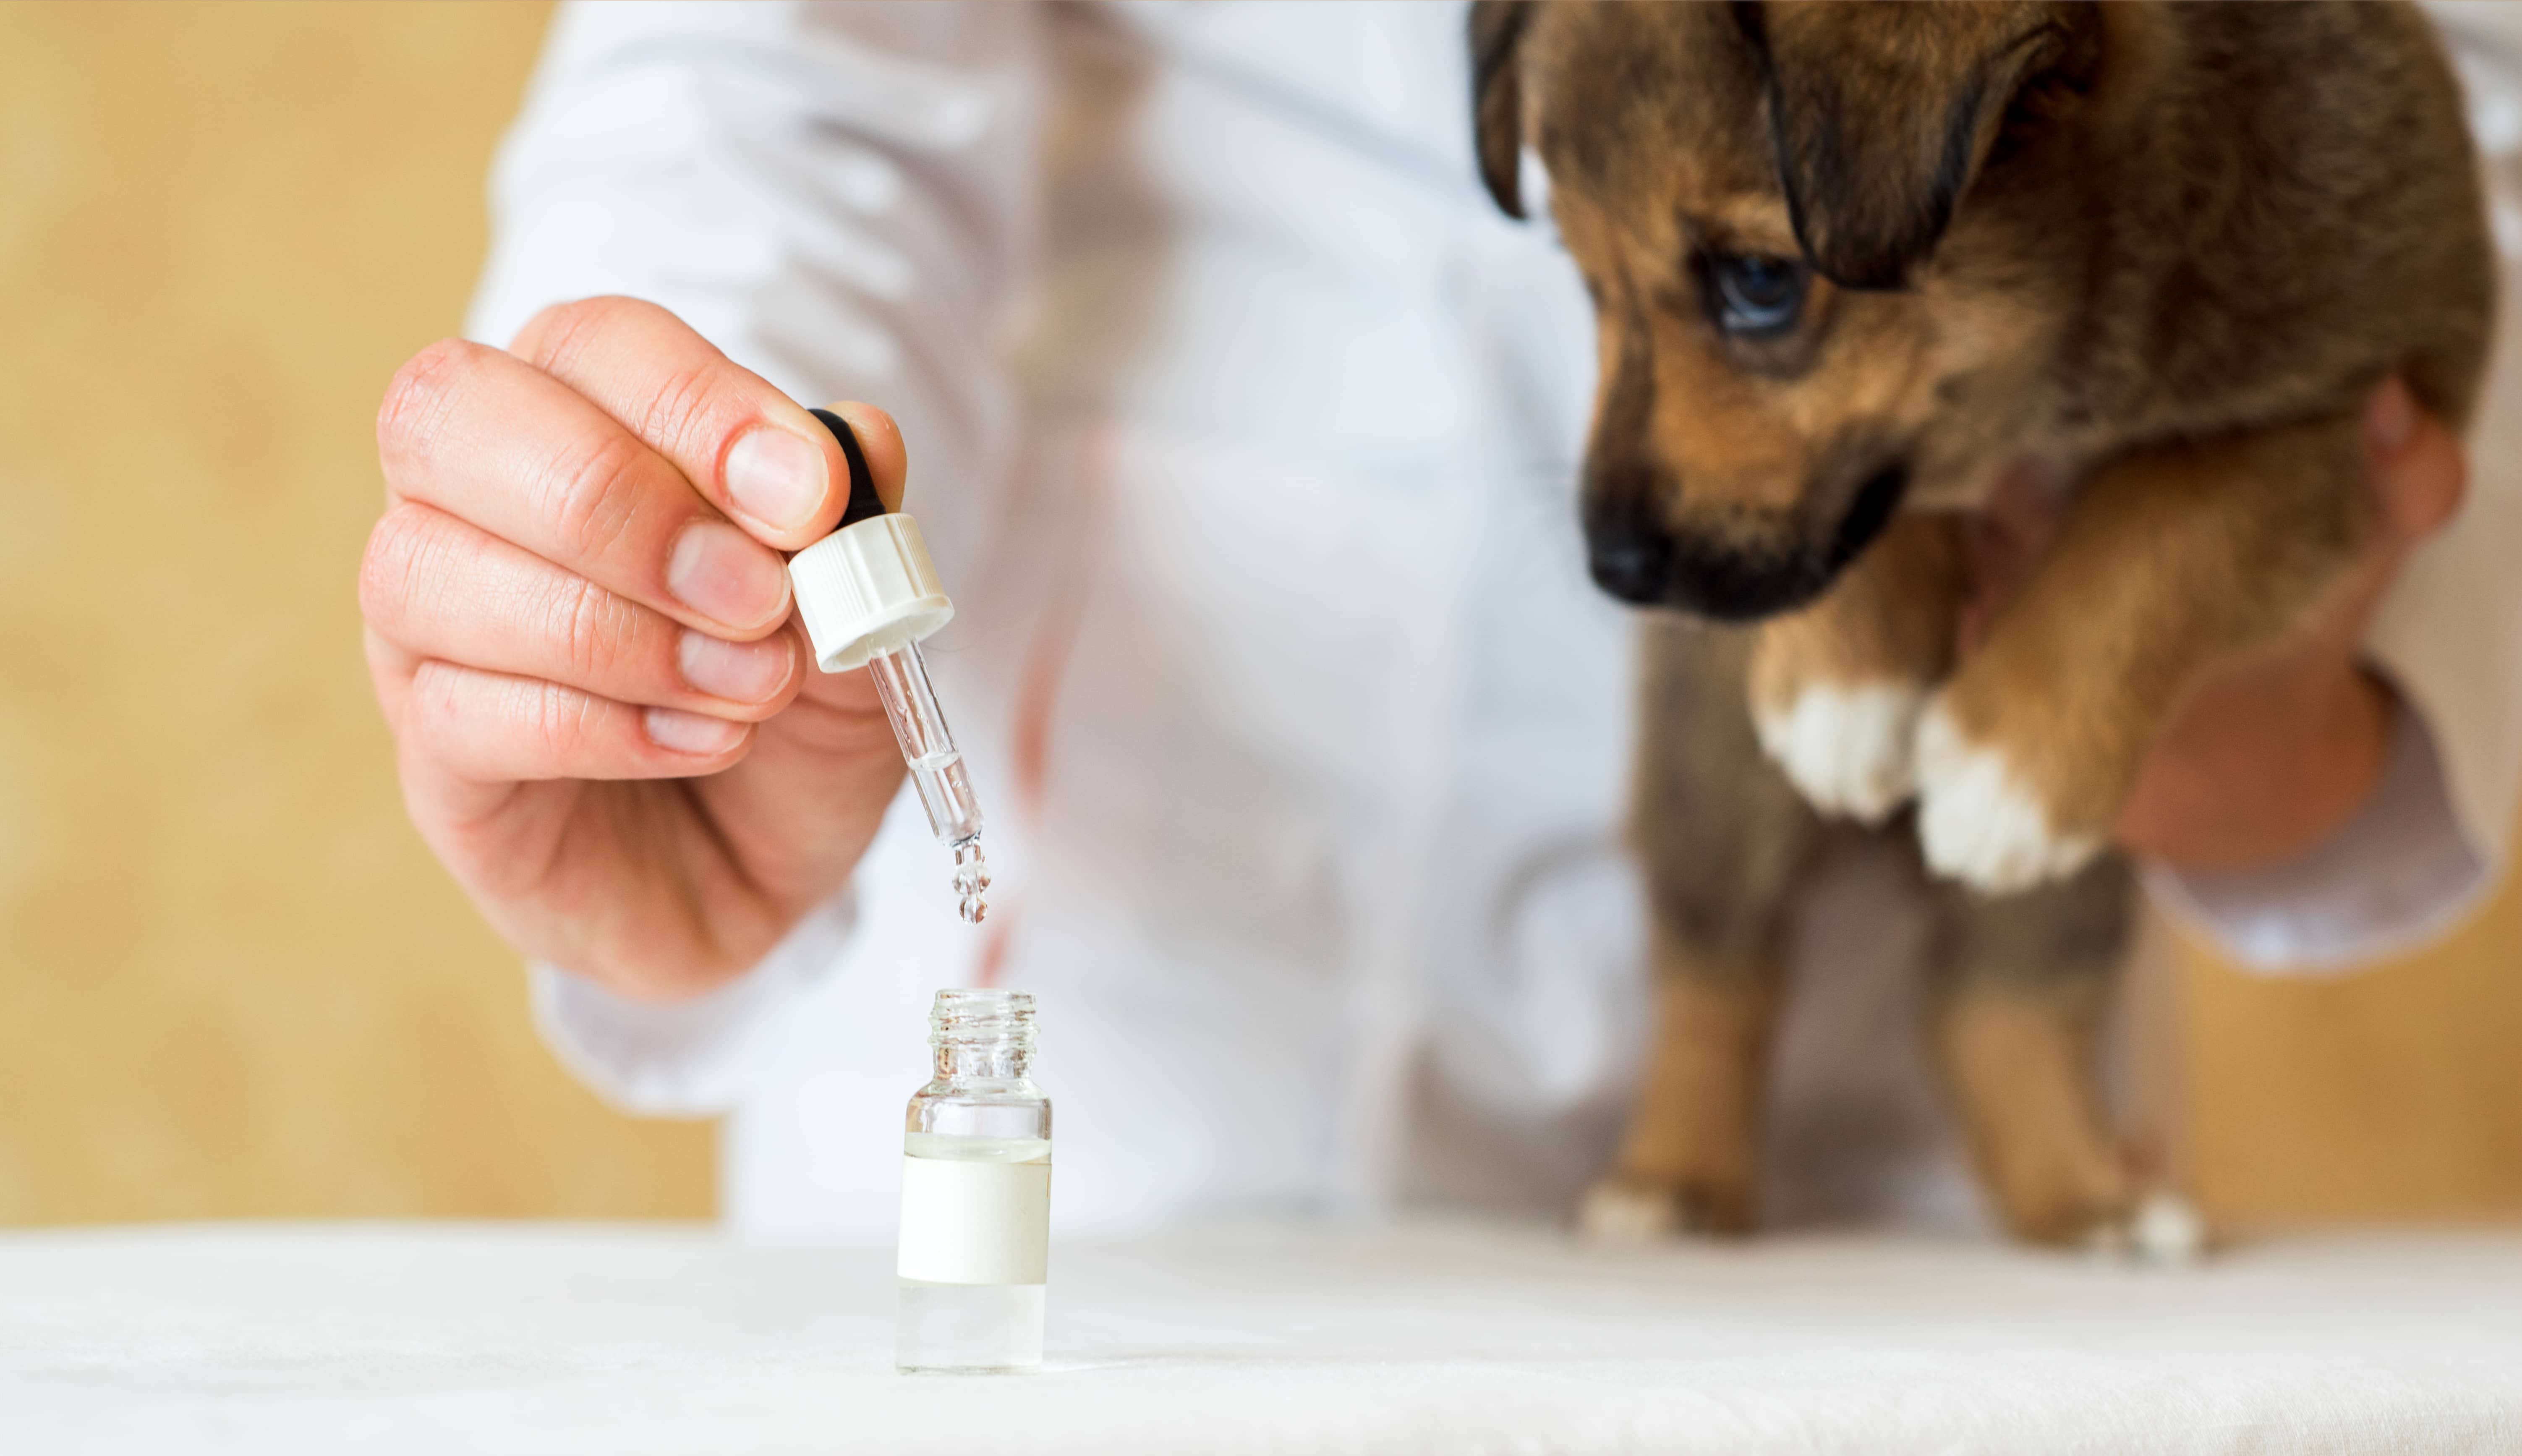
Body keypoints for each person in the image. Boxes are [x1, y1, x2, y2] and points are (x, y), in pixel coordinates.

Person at [361, 3, 2521, 1238]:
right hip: (1110, 1035)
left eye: (1753, 292)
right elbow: (777, 77)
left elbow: (2439, 144)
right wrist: (673, 542)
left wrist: (2262, 673)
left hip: (1876, 1180)